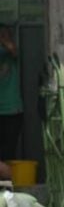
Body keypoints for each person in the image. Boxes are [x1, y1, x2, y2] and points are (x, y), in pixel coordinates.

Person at [0, 24, 23, 163]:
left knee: (8, 151)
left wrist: (4, 39)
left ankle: (7, 184)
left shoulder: (10, 53)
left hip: (12, 110)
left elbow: (14, 51)